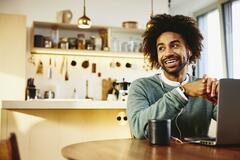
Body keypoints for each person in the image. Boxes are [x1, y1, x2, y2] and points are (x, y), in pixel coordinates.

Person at [127, 14, 219, 139]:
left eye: (174, 45)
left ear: (189, 50)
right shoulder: (141, 87)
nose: (168, 53)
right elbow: (138, 130)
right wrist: (183, 91)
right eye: (161, 48)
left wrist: (223, 100)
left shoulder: (204, 87)